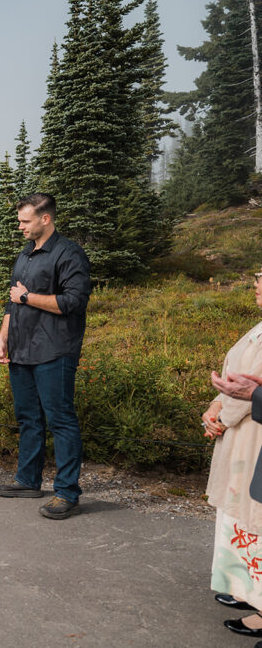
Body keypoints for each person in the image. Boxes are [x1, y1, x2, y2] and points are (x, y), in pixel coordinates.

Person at [0, 193, 91, 520]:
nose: (20, 226)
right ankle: (28, 479)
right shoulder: (25, 254)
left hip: (55, 350)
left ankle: (67, 493)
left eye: (25, 221)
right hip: (21, 349)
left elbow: (72, 302)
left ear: (45, 219)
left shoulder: (69, 253)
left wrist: (27, 297)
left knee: (60, 420)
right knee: (28, 418)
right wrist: (2, 338)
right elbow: (12, 302)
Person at [200, 268, 262, 639]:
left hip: (252, 435)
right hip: (239, 428)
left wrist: (220, 417)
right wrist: (214, 406)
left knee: (253, 517)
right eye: (258, 279)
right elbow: (236, 377)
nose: (257, 286)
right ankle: (246, 588)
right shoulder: (257, 326)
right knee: (237, 515)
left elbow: (248, 387)